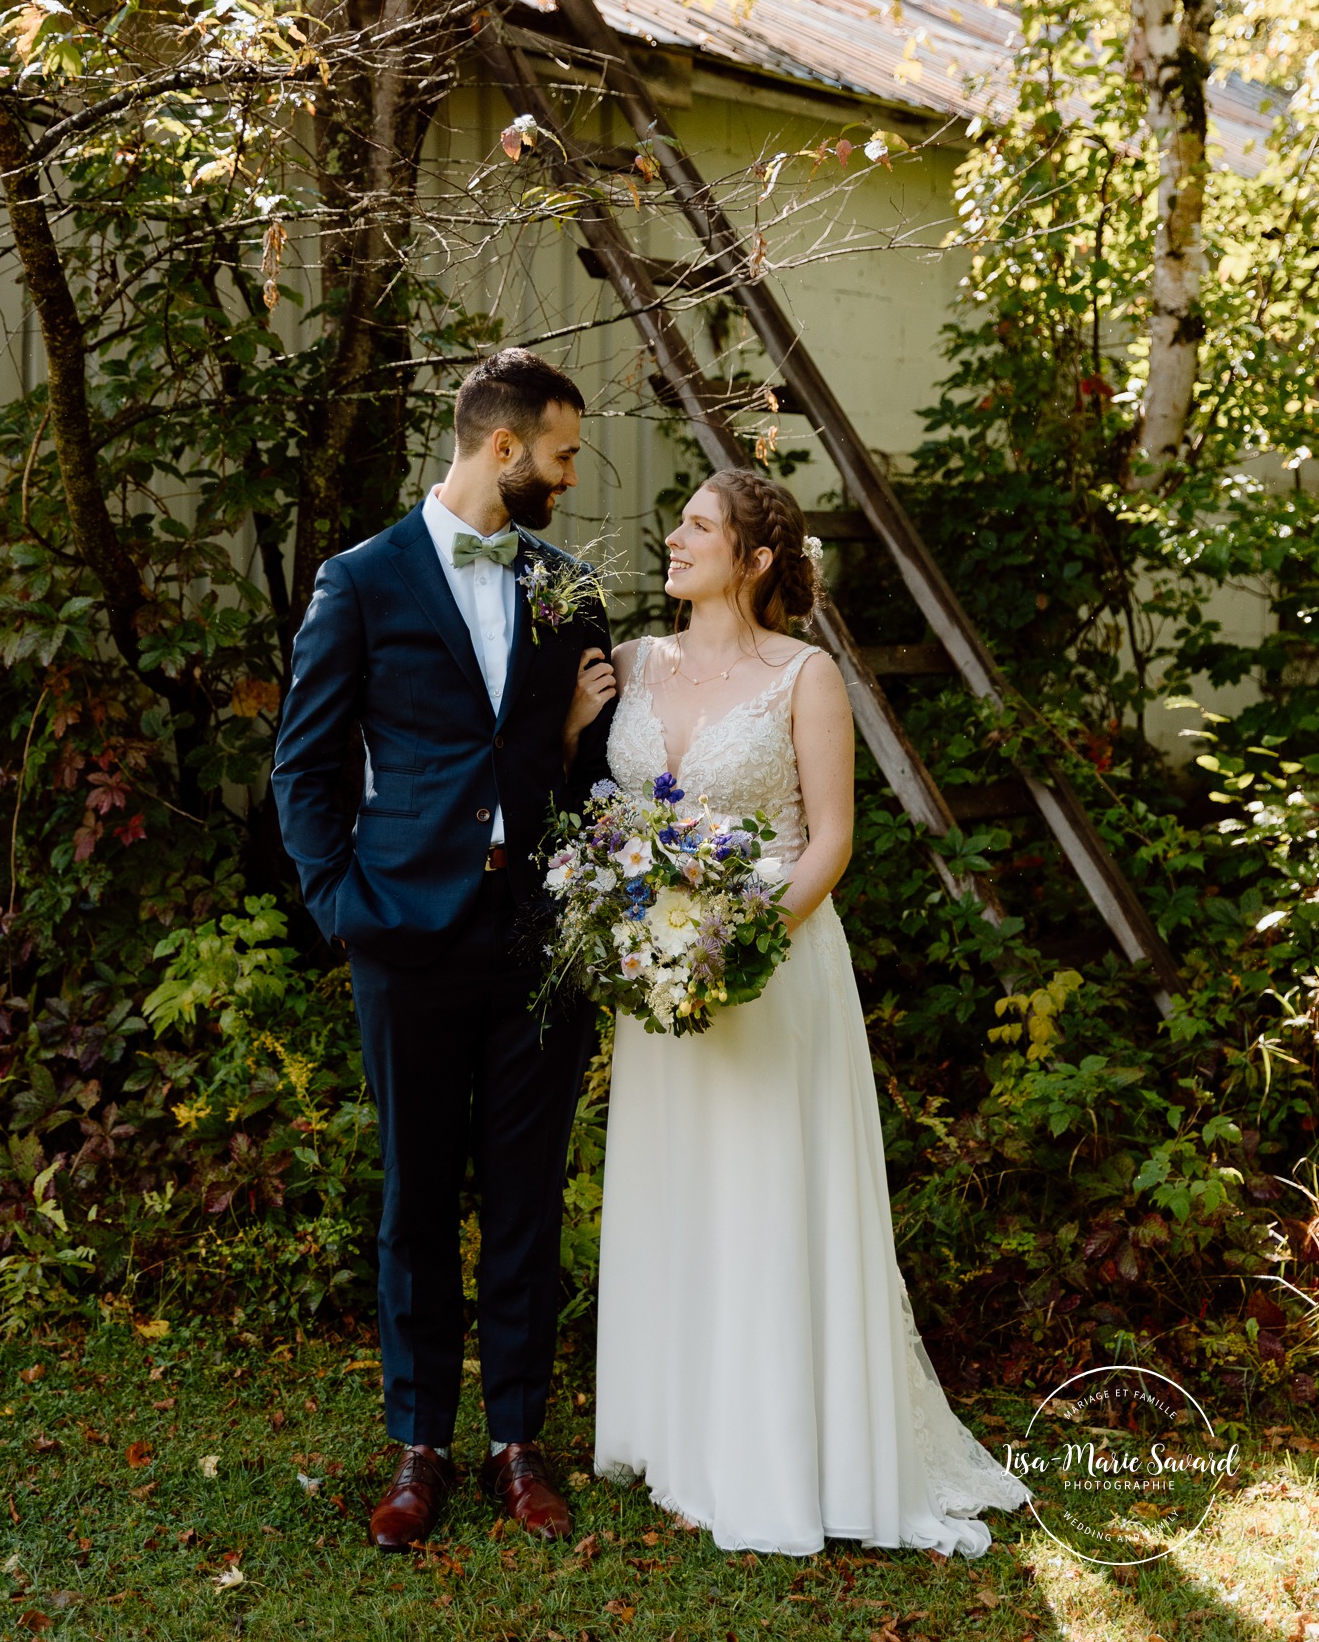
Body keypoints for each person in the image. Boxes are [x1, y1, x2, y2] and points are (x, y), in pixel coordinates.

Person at [577, 469, 1032, 1555]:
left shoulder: (805, 675)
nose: (674, 535)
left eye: (697, 523)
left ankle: (785, 1446)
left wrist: (733, 945)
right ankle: (680, 1434)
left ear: (755, 557)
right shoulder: (633, 662)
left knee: (768, 1192)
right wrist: (642, 922)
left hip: (769, 969)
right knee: (680, 1188)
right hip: (658, 981)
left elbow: (830, 840)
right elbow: (595, 807)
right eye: (678, 516)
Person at [271, 349, 618, 1552]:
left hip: (538, 937)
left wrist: (578, 775)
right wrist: (341, 904)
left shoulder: (570, 585)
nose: (575, 475)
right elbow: (304, 765)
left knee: (524, 1199)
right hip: (402, 936)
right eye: (563, 452)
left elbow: (596, 776)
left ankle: (519, 1438)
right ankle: (418, 1443)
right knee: (417, 1194)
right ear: (504, 446)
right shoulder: (360, 580)